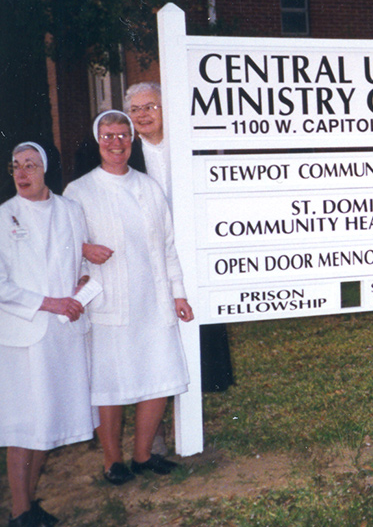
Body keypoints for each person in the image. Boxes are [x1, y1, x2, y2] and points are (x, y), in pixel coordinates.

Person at [64, 110, 194, 485]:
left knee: (159, 373)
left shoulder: (149, 187)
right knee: (110, 383)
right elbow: (63, 243)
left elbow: (167, 245)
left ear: (132, 140)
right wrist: (84, 248)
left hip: (152, 297)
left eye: (122, 136)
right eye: (108, 136)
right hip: (109, 301)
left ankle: (142, 455)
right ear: (97, 140)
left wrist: (178, 293)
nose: (116, 143)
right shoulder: (80, 190)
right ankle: (112, 460)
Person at [1, 142, 96, 527]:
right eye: (16, 166)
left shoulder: (71, 210)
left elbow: (82, 260)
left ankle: (28, 506)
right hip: (24, 335)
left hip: (62, 334)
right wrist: (50, 302)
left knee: (48, 421)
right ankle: (20, 510)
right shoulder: (4, 217)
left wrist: (83, 282)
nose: (22, 173)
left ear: (46, 170)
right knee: (24, 424)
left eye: (31, 165)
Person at [123, 83, 234, 396]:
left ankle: (199, 388)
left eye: (150, 107)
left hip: (191, 247)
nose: (142, 114)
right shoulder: (125, 155)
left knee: (198, 316)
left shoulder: (191, 146)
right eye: (135, 109)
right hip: (146, 254)